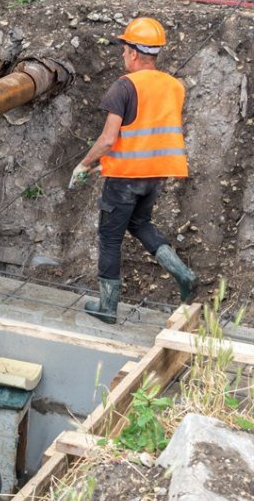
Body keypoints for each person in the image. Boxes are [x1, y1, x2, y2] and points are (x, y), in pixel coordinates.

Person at [69, 16, 197, 324]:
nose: (122, 55)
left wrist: (84, 165)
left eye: (124, 49)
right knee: (140, 225)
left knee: (110, 237)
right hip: (155, 176)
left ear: (134, 53)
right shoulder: (174, 86)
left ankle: (108, 307)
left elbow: (109, 139)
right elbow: (148, 131)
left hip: (124, 180)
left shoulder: (123, 87)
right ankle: (183, 273)